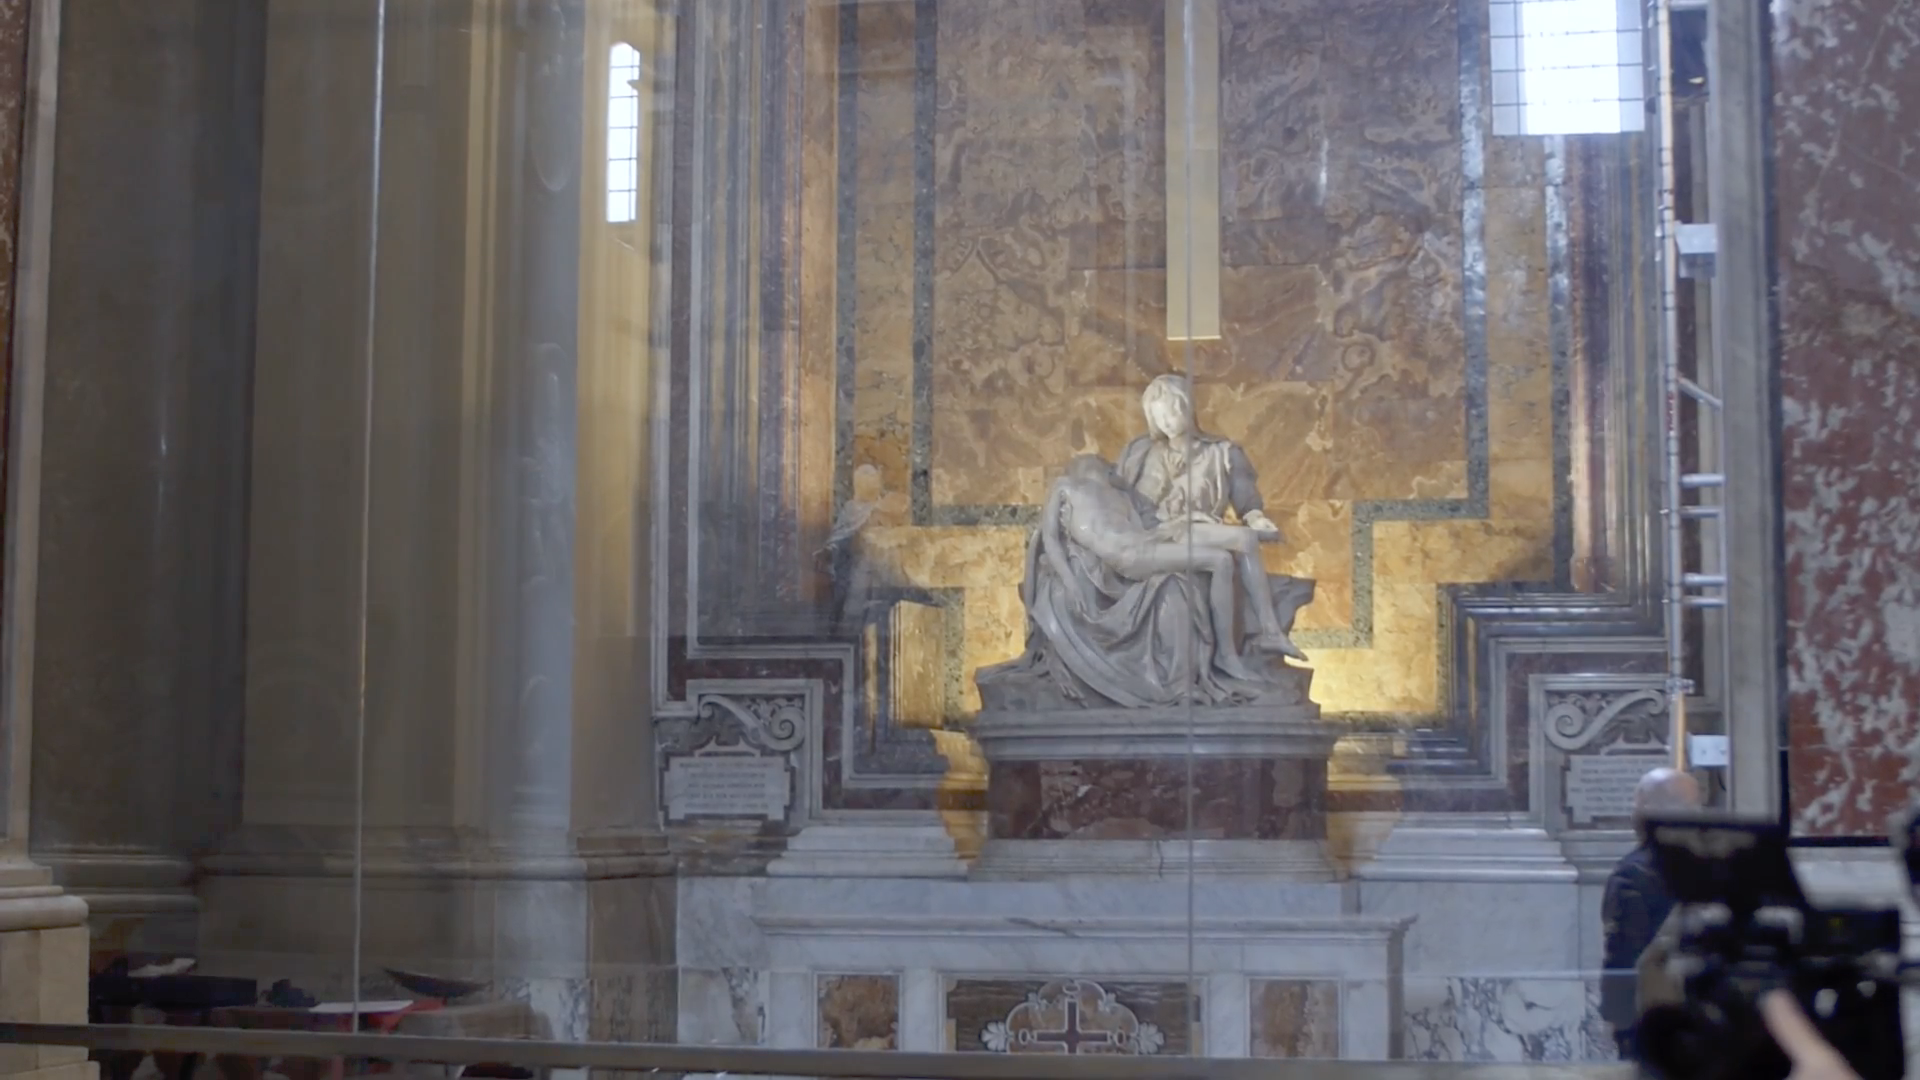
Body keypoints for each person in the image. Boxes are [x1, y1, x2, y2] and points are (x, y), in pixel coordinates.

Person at [1600, 766, 1702, 1059]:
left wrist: (1618, 1019)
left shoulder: (1634, 873)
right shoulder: (1713, 865)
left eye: (1638, 803)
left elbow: (1623, 956)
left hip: (1652, 1017)